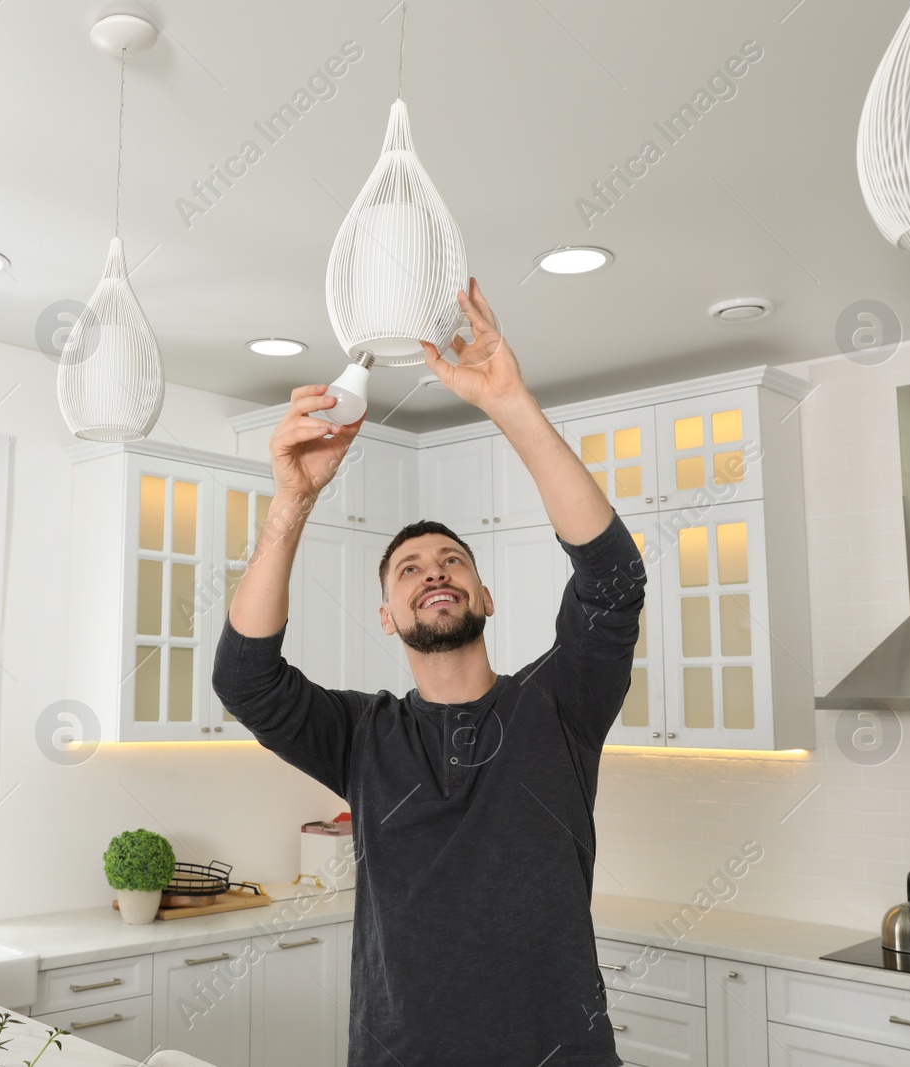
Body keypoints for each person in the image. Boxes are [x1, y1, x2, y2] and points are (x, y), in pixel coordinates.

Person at [211, 279, 645, 1066]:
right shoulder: (361, 737)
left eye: (452, 561)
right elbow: (245, 679)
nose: (432, 571)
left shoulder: (559, 708)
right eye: (408, 569)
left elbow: (613, 582)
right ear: (387, 614)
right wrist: (293, 501)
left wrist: (510, 402)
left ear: (483, 594)